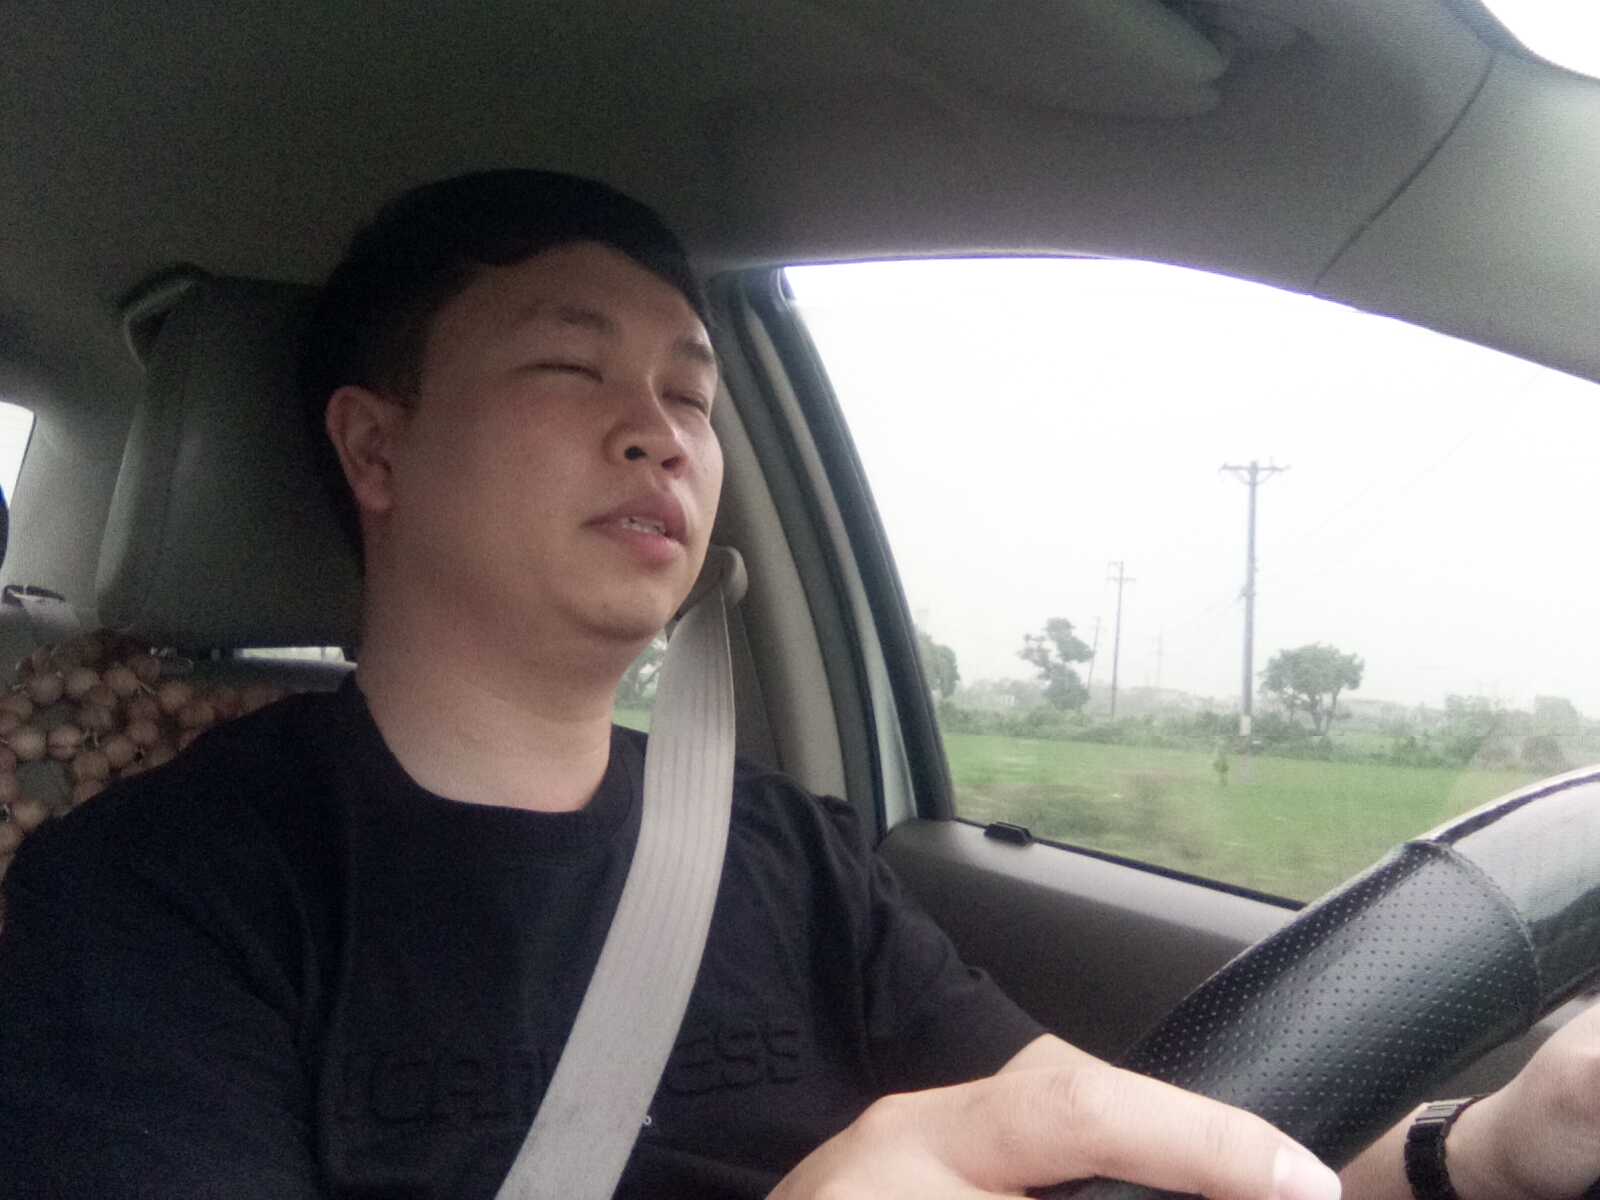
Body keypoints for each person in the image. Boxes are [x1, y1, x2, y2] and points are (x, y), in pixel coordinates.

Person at [0, 169, 1596, 1199]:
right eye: (570, 366)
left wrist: (1478, 1158)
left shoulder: (784, 855)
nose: (660, 432)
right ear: (376, 448)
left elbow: (1124, 1140)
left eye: (692, 396)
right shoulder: (145, 898)